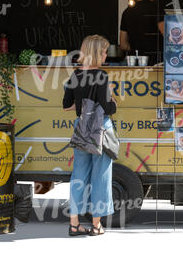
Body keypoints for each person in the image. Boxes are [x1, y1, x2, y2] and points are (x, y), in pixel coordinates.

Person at [62, 34, 117, 236]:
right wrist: (114, 103)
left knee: (79, 174)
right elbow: (107, 108)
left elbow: (66, 105)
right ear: (96, 53)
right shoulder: (101, 76)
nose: (105, 55)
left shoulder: (75, 76)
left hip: (81, 127)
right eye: (104, 51)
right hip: (100, 129)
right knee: (101, 175)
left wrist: (83, 103)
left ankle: (74, 224)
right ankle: (96, 225)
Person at [119, 0, 165, 65]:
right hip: (155, 61)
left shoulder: (127, 12)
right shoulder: (156, 9)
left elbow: (123, 45)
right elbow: (166, 35)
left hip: (133, 62)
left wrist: (135, 48)